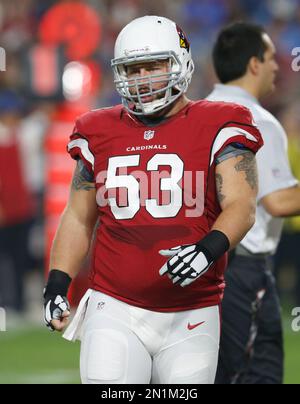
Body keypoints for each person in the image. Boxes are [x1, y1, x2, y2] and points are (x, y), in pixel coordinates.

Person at [43, 16, 263, 384]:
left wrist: (207, 249)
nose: (142, 78)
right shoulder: (97, 130)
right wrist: (56, 284)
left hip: (193, 311)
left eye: (153, 66)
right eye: (133, 69)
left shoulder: (222, 121)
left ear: (181, 63)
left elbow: (241, 205)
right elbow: (79, 217)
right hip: (113, 305)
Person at [207, 22, 300, 384]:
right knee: (256, 373)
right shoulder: (256, 119)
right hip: (241, 270)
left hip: (200, 266)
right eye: (270, 57)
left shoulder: (194, 113)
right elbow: (277, 201)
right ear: (254, 64)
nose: (278, 65)